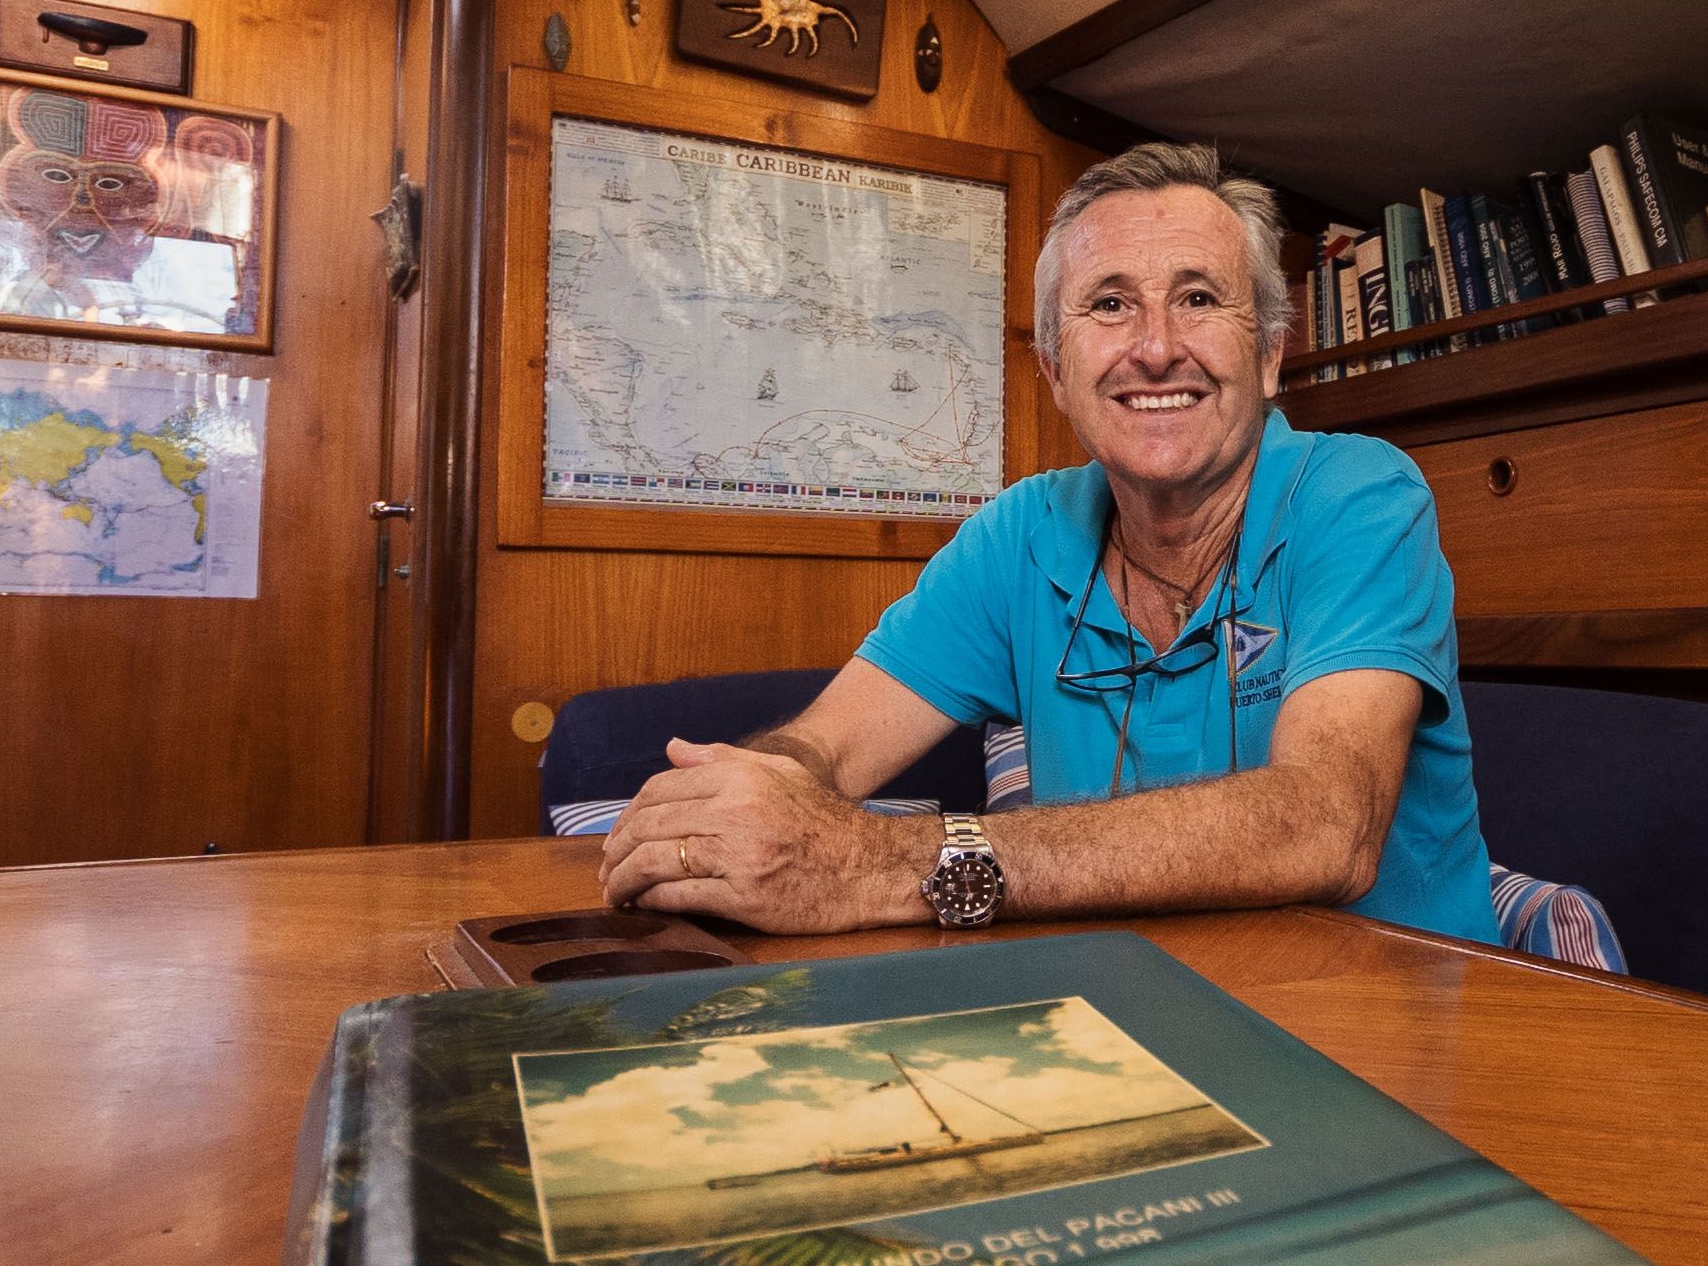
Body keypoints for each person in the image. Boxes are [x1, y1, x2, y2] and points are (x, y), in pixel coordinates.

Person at [598, 141, 1497, 942]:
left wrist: (873, 863)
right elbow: (828, 747)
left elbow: (1324, 825)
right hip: (1141, 1023)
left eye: (1198, 298)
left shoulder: (1362, 496)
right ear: (1056, 372)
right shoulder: (1018, 534)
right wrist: (742, 803)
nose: (1155, 347)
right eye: (1109, 304)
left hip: (1388, 1028)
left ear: (1267, 354)